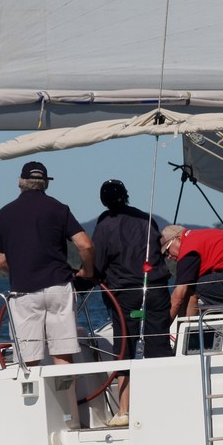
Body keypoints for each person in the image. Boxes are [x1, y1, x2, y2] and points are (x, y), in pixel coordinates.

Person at [0, 161, 95, 425]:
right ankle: (70, 419)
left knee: (30, 360)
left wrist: (24, 266)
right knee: (63, 356)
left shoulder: (5, 213)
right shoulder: (58, 208)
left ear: (20, 181)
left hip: (24, 292)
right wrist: (88, 272)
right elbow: (85, 244)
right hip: (59, 286)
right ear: (45, 183)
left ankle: (34, 421)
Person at [92, 179, 175, 427]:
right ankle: (167, 402)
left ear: (103, 200)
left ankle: (125, 411)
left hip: (124, 295)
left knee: (124, 350)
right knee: (158, 345)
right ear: (126, 196)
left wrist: (86, 278)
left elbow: (98, 263)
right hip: (156, 290)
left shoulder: (104, 225)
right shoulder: (147, 219)